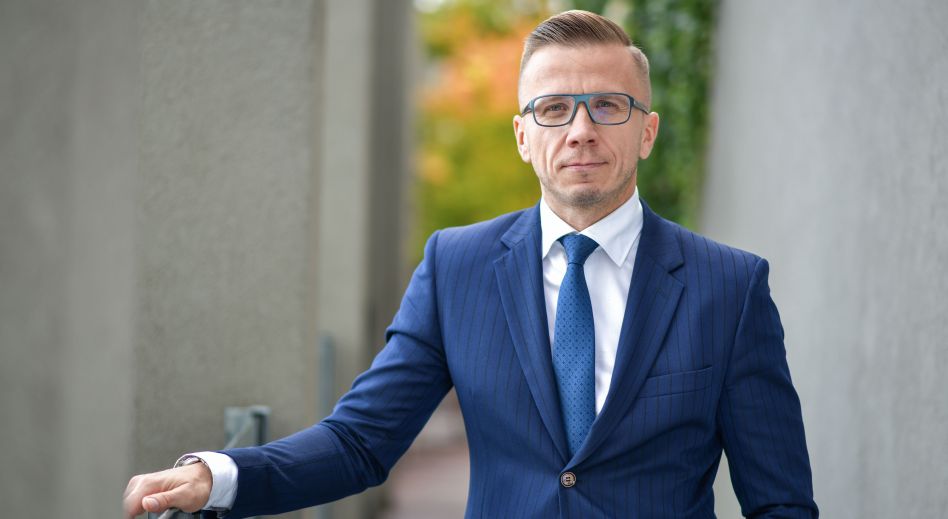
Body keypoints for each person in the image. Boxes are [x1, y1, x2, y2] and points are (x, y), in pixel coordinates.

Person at [124, 10, 817, 518]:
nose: (580, 130)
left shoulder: (730, 287)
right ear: (522, 135)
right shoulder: (457, 267)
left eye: (608, 105)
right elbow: (362, 441)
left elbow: (780, 501)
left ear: (647, 131)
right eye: (553, 109)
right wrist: (220, 476)